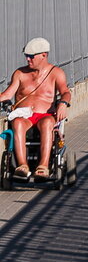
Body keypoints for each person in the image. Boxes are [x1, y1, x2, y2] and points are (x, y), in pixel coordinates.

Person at [1, 38, 71, 180]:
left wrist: (63, 103)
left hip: (45, 115)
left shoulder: (56, 73)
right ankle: (22, 166)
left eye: (31, 56)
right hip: (24, 115)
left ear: (43, 55)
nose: (28, 59)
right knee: (17, 123)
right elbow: (7, 94)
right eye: (26, 56)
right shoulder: (20, 74)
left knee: (47, 124)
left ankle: (43, 166)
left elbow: (65, 92)